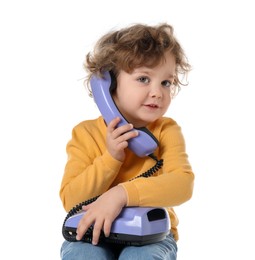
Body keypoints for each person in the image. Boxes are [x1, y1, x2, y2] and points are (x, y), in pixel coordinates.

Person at [59, 22, 195, 260]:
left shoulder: (166, 131)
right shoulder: (85, 133)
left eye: (166, 82)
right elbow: (71, 201)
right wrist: (110, 159)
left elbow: (182, 185)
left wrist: (122, 194)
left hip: (150, 237)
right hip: (92, 232)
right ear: (107, 85)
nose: (157, 92)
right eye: (144, 79)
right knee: (83, 255)